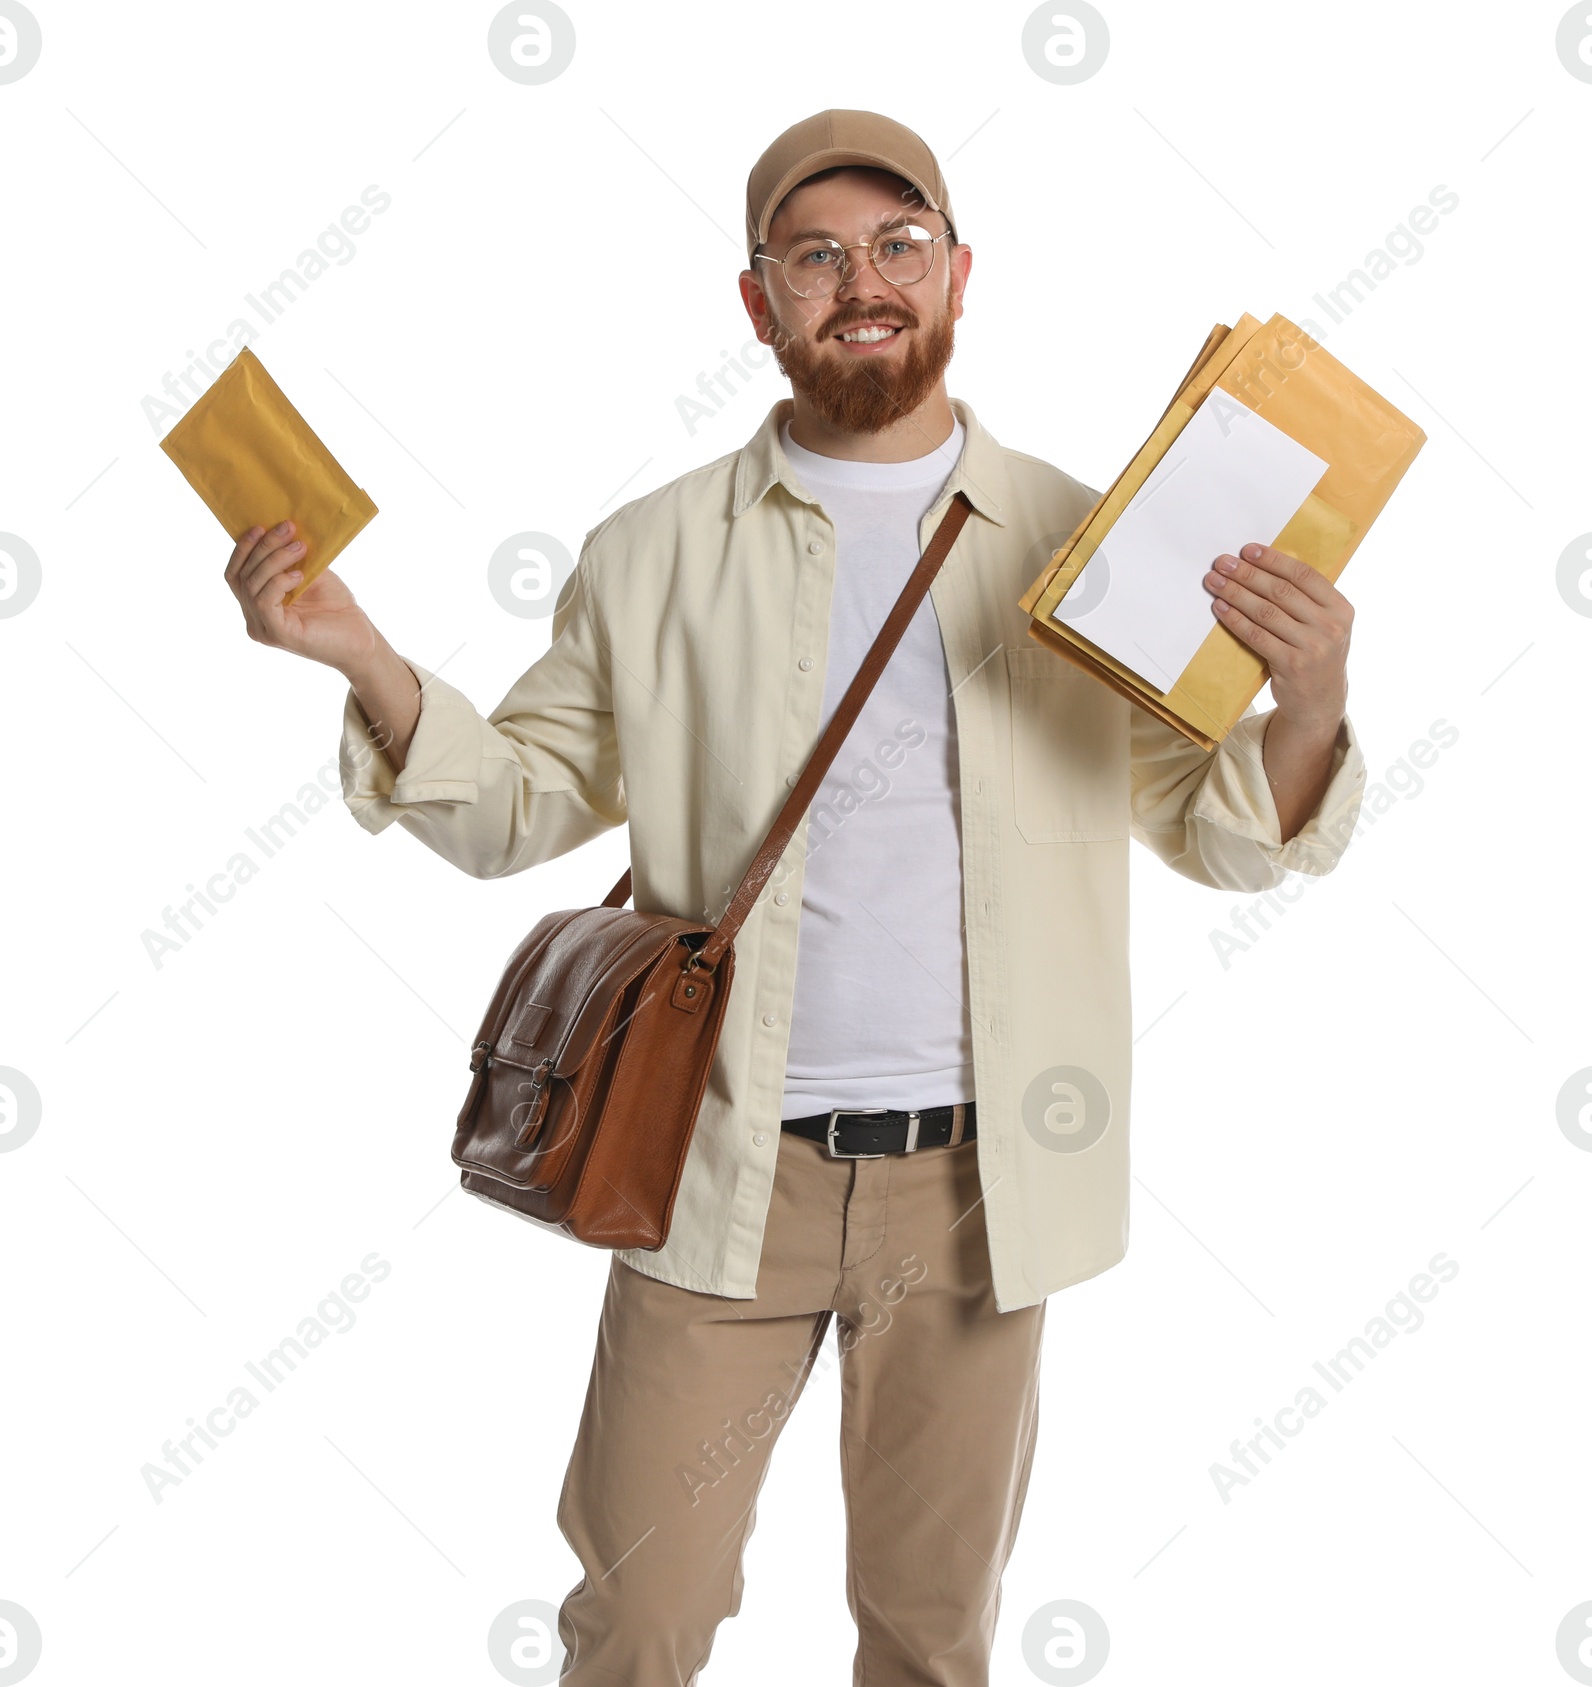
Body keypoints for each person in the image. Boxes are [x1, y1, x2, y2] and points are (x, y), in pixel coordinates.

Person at [224, 109, 1366, 1687]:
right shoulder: (653, 552)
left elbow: (1222, 834)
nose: (863, 282)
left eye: (900, 247)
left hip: (976, 1195)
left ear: (961, 276)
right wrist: (358, 652)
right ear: (758, 303)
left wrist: (1305, 703)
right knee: (640, 1620)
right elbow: (516, 810)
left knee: (929, 1636)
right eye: (816, 256)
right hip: (707, 1174)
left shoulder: (1094, 540)